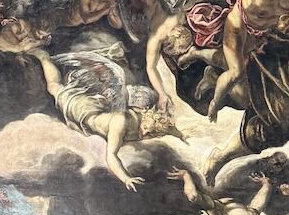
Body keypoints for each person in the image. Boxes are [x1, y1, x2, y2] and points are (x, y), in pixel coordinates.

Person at [26, 45, 182, 190]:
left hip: (99, 111)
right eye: (150, 130)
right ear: (146, 119)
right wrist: (126, 178)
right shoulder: (120, 122)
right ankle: (43, 56)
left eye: (154, 133)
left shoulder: (139, 122)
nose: (148, 134)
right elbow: (111, 155)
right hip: (84, 109)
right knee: (54, 87)